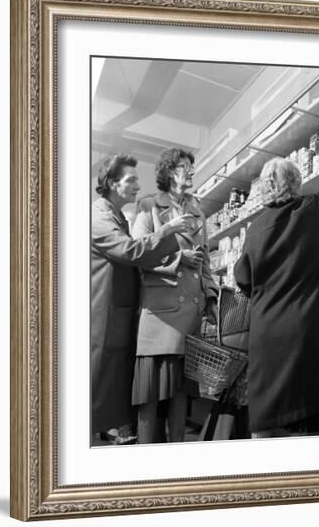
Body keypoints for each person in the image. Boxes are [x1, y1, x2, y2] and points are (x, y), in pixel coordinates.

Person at [233, 140, 319, 438]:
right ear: (296, 183)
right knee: (312, 416)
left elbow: (243, 278)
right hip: (307, 332)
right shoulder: (312, 210)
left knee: (268, 421)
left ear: (265, 188)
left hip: (267, 334)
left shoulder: (254, 229)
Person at [91, 153, 194, 444]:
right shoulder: (98, 217)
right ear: (112, 183)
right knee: (98, 386)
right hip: (104, 314)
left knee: (110, 388)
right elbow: (132, 252)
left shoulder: (117, 216)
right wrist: (168, 231)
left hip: (120, 314)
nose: (138, 185)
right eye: (131, 179)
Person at [132, 148, 218, 443]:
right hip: (160, 315)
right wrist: (177, 257)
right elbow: (137, 254)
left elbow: (205, 260)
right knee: (151, 398)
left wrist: (211, 296)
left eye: (191, 167)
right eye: (184, 167)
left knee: (180, 397)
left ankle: (177, 463)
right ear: (169, 172)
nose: (191, 172)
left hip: (190, 315)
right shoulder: (148, 206)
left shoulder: (198, 209)